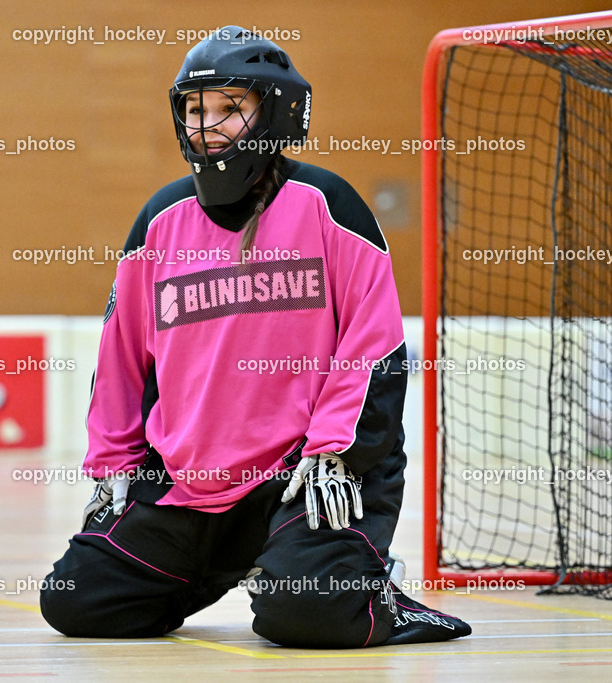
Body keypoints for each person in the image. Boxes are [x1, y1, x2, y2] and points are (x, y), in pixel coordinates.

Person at [39, 26, 471, 648]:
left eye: (229, 108)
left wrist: (332, 452)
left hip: (308, 476)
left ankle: (371, 588)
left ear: (275, 112)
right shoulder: (159, 222)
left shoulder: (329, 205)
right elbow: (121, 360)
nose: (206, 126)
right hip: (190, 485)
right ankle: (228, 569)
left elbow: (373, 347)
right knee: (77, 603)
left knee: (307, 615)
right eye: (195, 109)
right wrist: (114, 463)